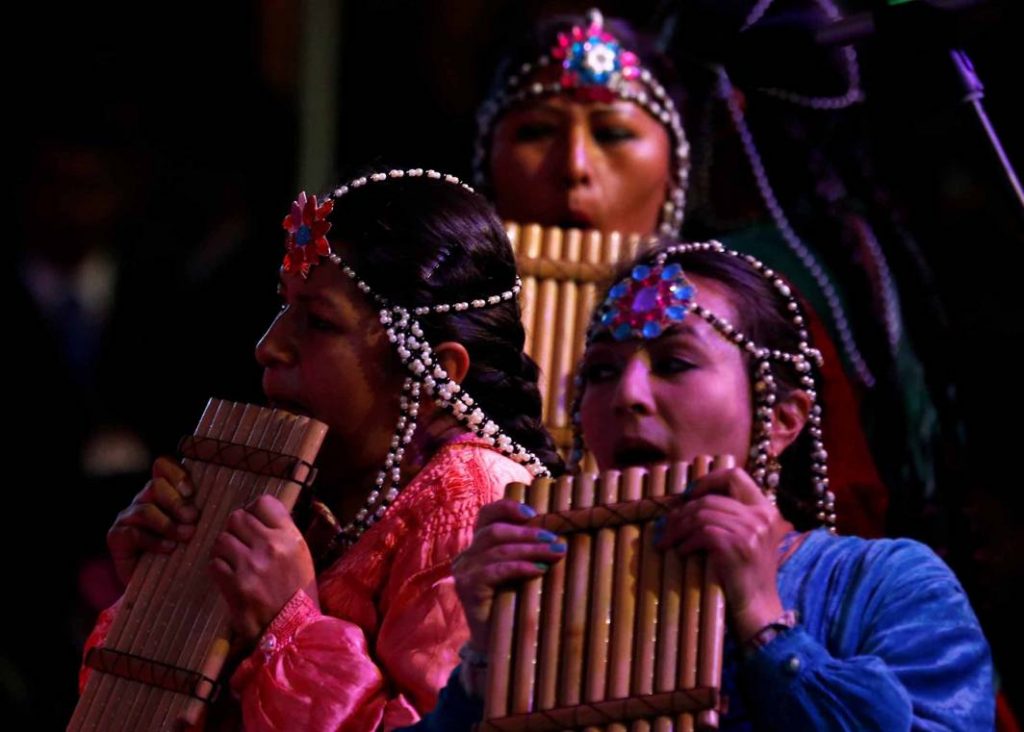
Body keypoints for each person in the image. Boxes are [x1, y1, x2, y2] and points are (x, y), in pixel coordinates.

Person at [404, 240, 993, 730]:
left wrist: (764, 622)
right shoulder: (546, 597)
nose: (627, 396)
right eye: (602, 372)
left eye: (675, 363)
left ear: (781, 418)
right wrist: (489, 664)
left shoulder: (890, 582)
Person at [78, 168, 563, 730]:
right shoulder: (317, 495)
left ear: (435, 377)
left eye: (317, 321)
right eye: (283, 308)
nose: (268, 347)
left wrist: (289, 626)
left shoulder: (472, 501)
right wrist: (161, 600)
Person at [471, 7, 889, 539]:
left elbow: (847, 522)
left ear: (674, 168)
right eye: (536, 131)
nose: (574, 165)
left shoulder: (757, 312)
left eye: (613, 133)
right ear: (488, 161)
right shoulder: (418, 318)